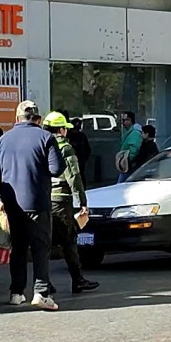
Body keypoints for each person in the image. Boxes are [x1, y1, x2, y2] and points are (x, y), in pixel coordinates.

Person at [0, 101, 65, 310]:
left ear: (17, 119)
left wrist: (0, 197)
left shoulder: (2, 140)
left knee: (18, 248)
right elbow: (56, 169)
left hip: (13, 205)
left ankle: (16, 292)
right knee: (41, 247)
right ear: (38, 119)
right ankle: (40, 292)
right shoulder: (46, 138)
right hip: (38, 202)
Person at [43, 112, 99, 294]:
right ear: (61, 129)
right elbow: (74, 177)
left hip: (44, 199)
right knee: (69, 240)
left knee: (45, 242)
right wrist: (82, 202)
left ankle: (43, 283)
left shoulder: (40, 145)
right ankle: (78, 280)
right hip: (61, 199)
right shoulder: (64, 148)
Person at [60, 110, 91, 182]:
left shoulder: (82, 136)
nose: (76, 131)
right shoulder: (68, 136)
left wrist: (83, 159)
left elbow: (87, 149)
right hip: (70, 163)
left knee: (81, 178)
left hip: (80, 162)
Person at [117, 111, 143, 183]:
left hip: (129, 166)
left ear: (132, 120)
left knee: (120, 185)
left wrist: (126, 161)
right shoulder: (129, 132)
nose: (124, 123)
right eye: (123, 120)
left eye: (127, 120)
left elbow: (134, 149)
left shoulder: (135, 133)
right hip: (127, 165)